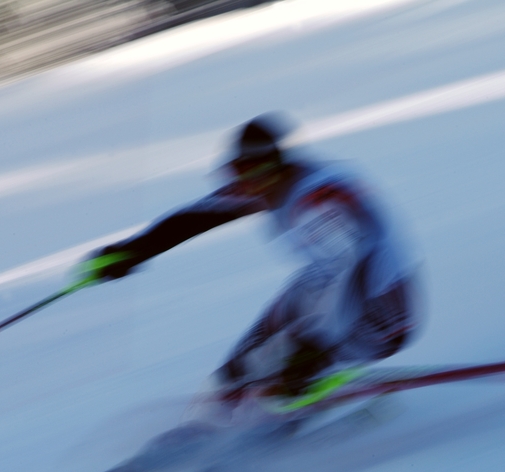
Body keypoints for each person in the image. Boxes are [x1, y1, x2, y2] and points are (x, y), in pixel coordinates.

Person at [80, 113, 421, 415]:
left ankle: (286, 412)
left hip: (382, 311)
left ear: (278, 168)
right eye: (240, 174)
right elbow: (198, 216)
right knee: (241, 368)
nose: (249, 188)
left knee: (286, 371)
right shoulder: (267, 182)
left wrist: (312, 350)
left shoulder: (318, 205)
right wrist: (133, 251)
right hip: (322, 284)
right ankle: (218, 421)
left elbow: (353, 272)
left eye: (256, 176)